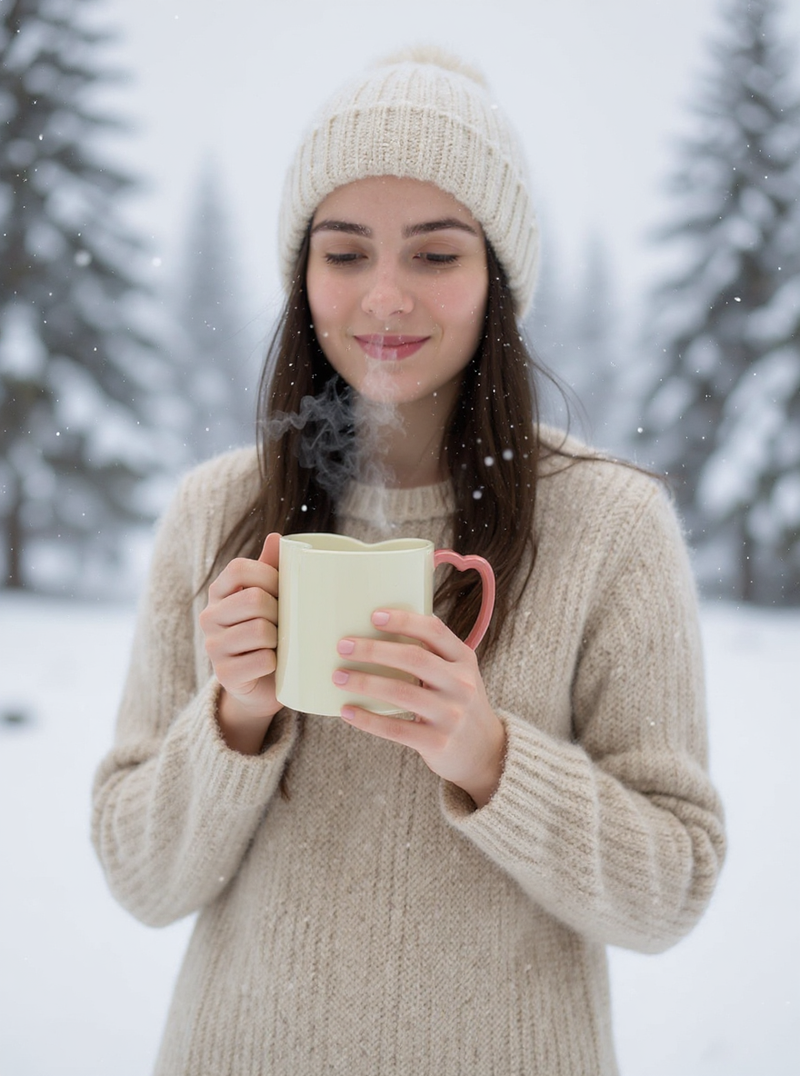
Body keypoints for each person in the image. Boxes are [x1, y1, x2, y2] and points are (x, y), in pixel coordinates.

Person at [92, 48, 726, 1076]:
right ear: (303, 276)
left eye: (434, 254)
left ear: (497, 280)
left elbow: (672, 888)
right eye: (344, 253)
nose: (383, 296)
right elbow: (138, 874)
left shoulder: (609, 525)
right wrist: (234, 718)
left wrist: (487, 754)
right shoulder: (215, 511)